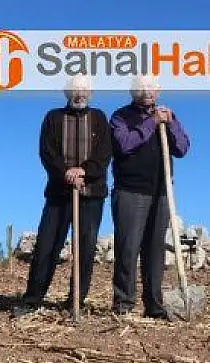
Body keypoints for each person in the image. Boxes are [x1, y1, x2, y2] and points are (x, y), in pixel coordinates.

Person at [13, 75, 112, 318]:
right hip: (59, 193)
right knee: (47, 245)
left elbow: (104, 153)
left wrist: (85, 170)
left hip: (90, 195)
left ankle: (75, 301)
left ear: (90, 93)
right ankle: (32, 300)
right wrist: (65, 172)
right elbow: (47, 151)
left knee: (85, 248)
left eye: (84, 91)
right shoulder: (53, 117)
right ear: (66, 93)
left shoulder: (99, 118)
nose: (80, 95)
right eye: (75, 91)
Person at [108, 75, 191, 319]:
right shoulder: (120, 117)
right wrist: (152, 123)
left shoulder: (168, 116)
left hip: (161, 192)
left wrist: (170, 123)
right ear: (132, 91)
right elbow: (125, 144)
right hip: (130, 191)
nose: (147, 92)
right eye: (141, 88)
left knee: (155, 251)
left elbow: (183, 148)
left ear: (159, 90)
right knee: (128, 248)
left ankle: (154, 306)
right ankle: (123, 304)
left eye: (151, 88)